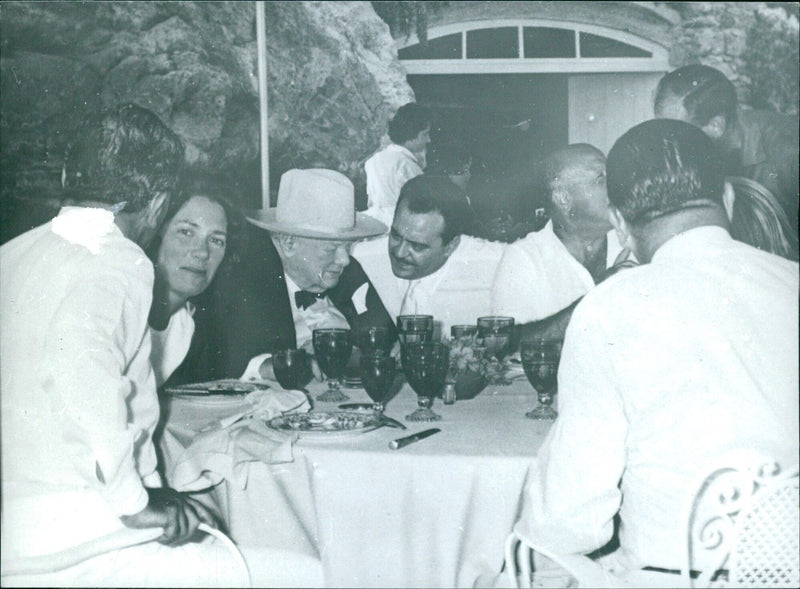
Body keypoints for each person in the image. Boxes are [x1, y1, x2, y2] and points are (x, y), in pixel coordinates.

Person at [513, 119, 798, 584]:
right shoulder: (792, 282)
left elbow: (566, 521)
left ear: (620, 225)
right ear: (727, 198)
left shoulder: (609, 308)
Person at [0, 104, 248, 586]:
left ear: (71, 176)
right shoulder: (120, 260)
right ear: (158, 200)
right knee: (303, 572)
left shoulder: (14, 253)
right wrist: (137, 503)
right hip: (76, 543)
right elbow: (79, 369)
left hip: (15, 536)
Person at [170, 167, 395, 385]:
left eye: (348, 246)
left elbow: (384, 338)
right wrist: (268, 366)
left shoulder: (343, 268)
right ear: (288, 243)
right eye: (331, 248)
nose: (344, 259)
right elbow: (208, 361)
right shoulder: (239, 279)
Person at [491, 144, 633, 343]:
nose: (618, 185)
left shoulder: (635, 242)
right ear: (563, 199)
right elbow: (504, 343)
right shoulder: (525, 258)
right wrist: (601, 293)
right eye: (601, 179)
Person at [654, 64, 799, 252]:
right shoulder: (691, 151)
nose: (668, 143)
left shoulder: (790, 150)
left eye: (676, 131)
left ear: (715, 126)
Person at [352, 174, 505, 337]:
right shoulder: (360, 256)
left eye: (417, 246)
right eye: (396, 236)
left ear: (450, 246)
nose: (399, 252)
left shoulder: (492, 263)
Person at [147, 173, 243, 386]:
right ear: (157, 232)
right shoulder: (126, 309)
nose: (202, 252)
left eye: (216, 240)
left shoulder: (190, 325)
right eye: (186, 232)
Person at [364, 102, 432, 226]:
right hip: (399, 226)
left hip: (374, 223)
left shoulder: (374, 160)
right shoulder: (407, 166)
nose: (429, 140)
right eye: (425, 134)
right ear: (412, 134)